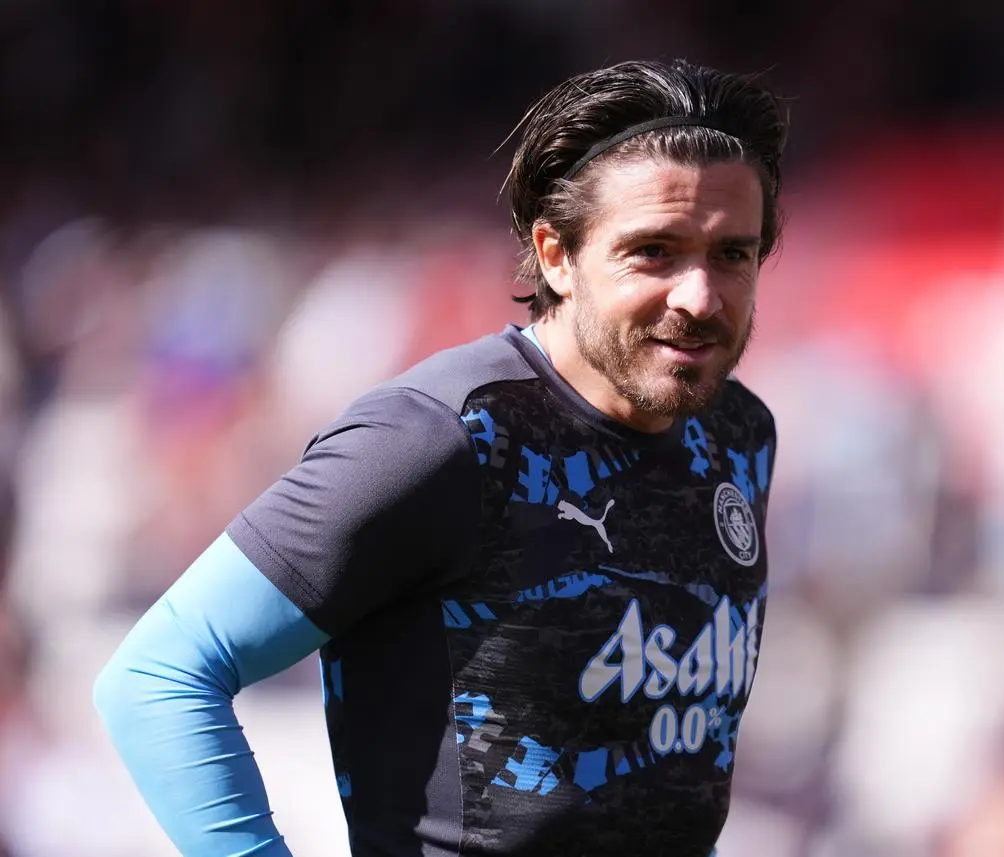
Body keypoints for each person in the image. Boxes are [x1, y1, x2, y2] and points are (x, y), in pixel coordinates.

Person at [94, 58, 788, 857]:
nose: (699, 296)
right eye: (654, 252)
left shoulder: (736, 432)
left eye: (732, 254)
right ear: (556, 253)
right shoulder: (441, 436)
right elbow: (157, 677)